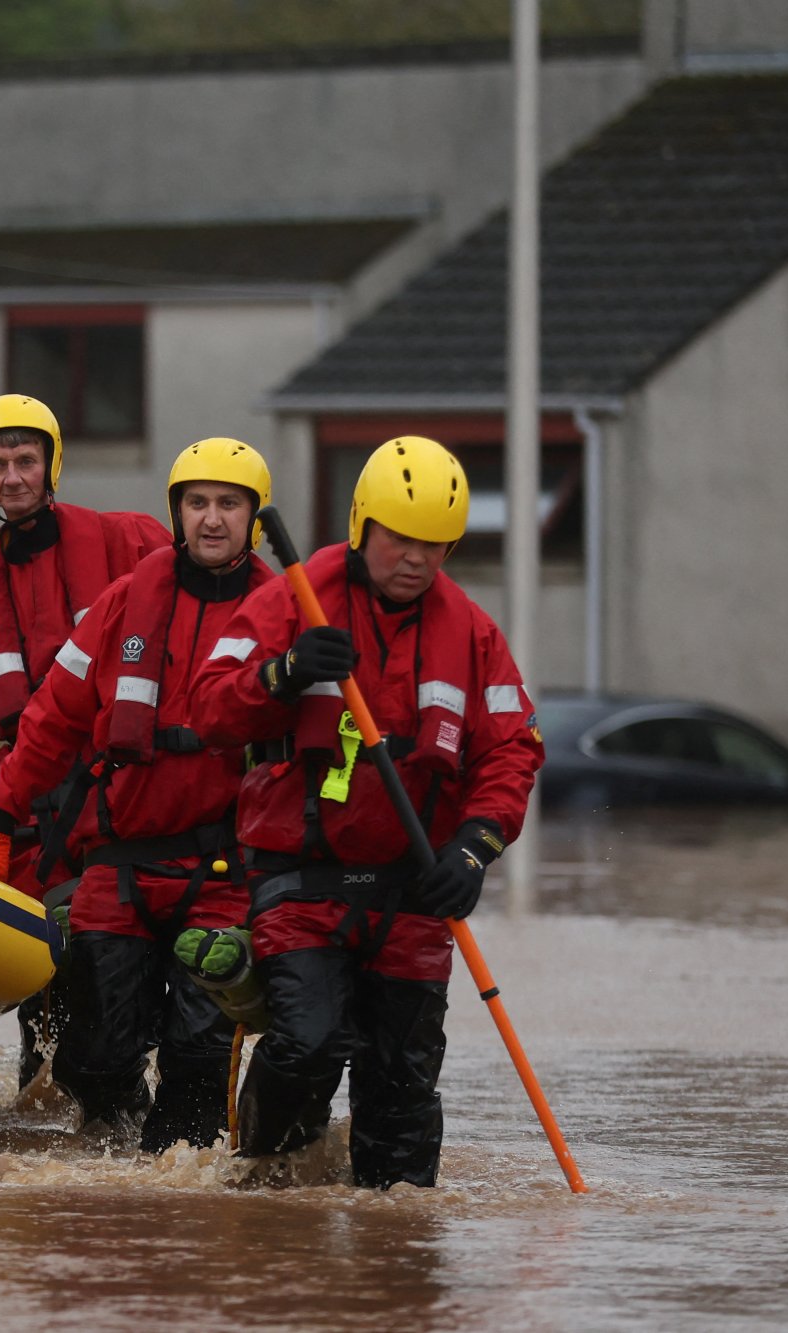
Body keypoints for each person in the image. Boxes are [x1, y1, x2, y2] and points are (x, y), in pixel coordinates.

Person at [191, 436, 542, 1188]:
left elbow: (513, 751)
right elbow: (211, 707)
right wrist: (283, 673)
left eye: (436, 544)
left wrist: (475, 848)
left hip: (414, 890)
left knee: (402, 1087)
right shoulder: (298, 594)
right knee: (310, 1044)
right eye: (400, 538)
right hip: (302, 879)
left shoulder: (473, 632)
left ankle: (398, 1259)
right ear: (362, 526)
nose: (416, 558)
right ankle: (258, 1181)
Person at [0, 439, 277, 1148]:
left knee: (199, 1056)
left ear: (254, 518)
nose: (210, 519)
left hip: (223, 871)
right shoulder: (128, 598)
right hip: (120, 860)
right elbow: (51, 717)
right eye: (196, 503)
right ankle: (118, 1179)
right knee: (92, 1052)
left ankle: (177, 1185)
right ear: (175, 512)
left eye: (228, 504)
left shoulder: (283, 614)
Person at [0, 393, 169, 886]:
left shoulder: (129, 540)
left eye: (26, 461)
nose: (12, 478)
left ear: (51, 465)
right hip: (27, 813)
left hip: (124, 796)